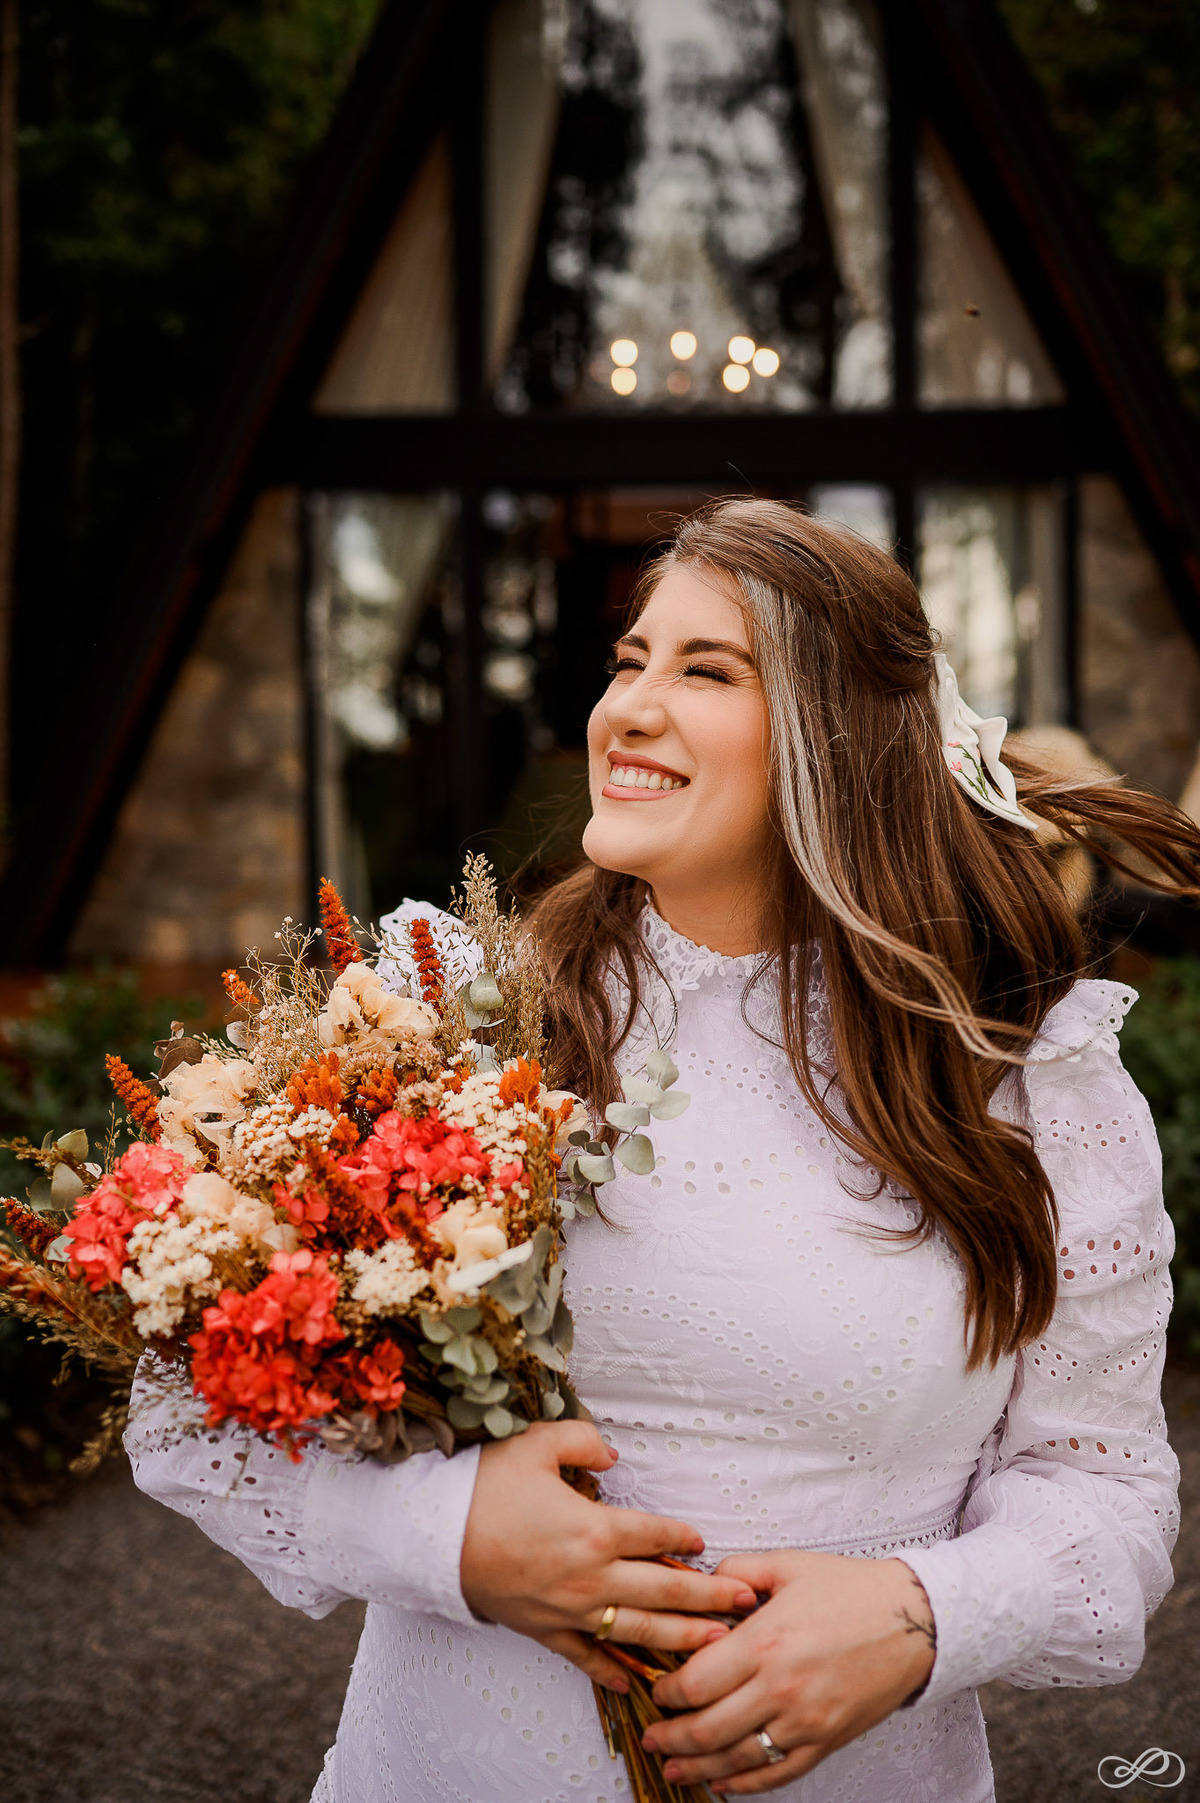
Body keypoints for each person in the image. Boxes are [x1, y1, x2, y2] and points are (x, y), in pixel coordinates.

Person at [126, 498, 1189, 1802]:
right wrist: (445, 1537)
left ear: (843, 739)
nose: (627, 706)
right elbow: (183, 1407)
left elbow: (1108, 1499)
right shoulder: (440, 1015)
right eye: (630, 661)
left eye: (706, 670)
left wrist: (928, 1615)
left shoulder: (1031, 1071)